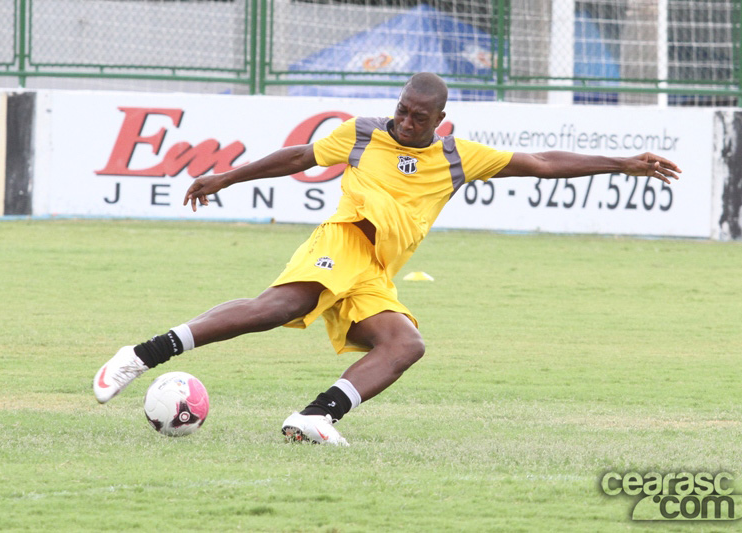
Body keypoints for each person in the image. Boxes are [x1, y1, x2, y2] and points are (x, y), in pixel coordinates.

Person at [93, 72, 681, 446]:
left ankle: (315, 417)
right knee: (278, 307)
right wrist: (225, 177)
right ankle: (140, 355)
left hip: (375, 271)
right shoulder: (363, 133)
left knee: (405, 344)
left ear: (439, 121)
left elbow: (542, 163)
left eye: (418, 117)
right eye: (402, 109)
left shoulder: (458, 157)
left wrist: (622, 163)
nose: (405, 121)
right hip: (344, 239)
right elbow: (299, 156)